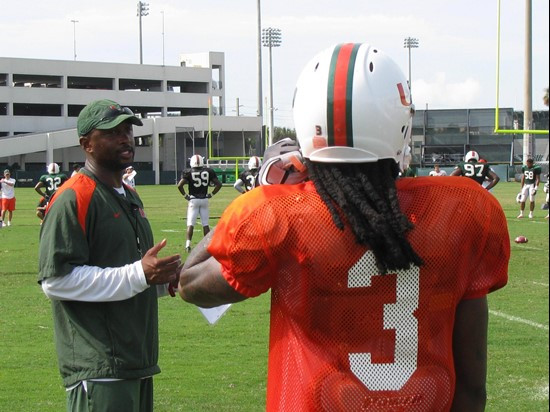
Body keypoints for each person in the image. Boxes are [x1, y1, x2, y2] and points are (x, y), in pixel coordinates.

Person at [178, 43, 510, 411]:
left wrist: (263, 195)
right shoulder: (463, 209)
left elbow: (189, 283)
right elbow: (472, 386)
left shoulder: (279, 213)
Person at [38, 99, 182, 411]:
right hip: (101, 366)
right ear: (86, 144)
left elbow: (126, 270)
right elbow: (55, 282)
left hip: (137, 360)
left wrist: (162, 277)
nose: (125, 138)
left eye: (128, 130)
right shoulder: (73, 197)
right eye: (112, 131)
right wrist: (139, 274)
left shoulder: (129, 194)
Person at [177, 154, 222, 252]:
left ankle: (188, 245)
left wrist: (185, 196)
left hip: (193, 199)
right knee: (205, 224)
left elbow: (180, 185)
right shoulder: (208, 171)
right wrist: (211, 194)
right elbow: (219, 184)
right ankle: (208, 244)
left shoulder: (188, 172)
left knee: (190, 224)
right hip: (204, 199)